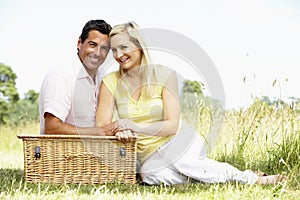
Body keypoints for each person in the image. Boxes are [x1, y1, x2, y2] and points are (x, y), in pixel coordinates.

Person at [95, 21, 284, 185]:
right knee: (150, 175)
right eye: (114, 50)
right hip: (149, 156)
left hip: (177, 141)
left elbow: (171, 126)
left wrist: (134, 126)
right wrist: (119, 130)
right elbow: (102, 125)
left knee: (178, 159)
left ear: (139, 46)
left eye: (124, 47)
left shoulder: (165, 75)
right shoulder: (110, 82)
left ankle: (249, 179)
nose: (118, 55)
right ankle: (215, 178)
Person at [39, 19, 115, 135]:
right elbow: (52, 127)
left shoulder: (103, 77)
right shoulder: (62, 75)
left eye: (104, 48)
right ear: (79, 43)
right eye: (92, 45)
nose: (97, 53)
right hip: (61, 152)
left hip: (93, 152)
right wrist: (98, 132)